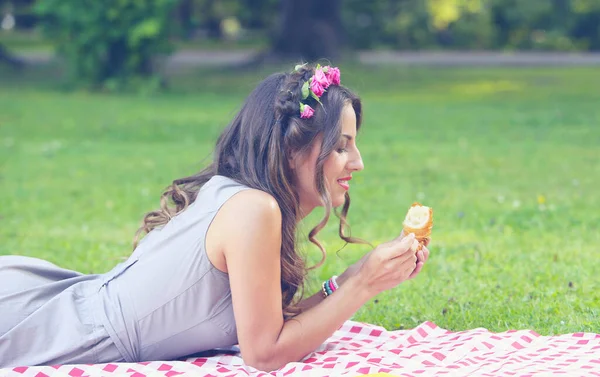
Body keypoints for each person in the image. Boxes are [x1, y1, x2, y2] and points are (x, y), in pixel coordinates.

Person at [0, 63, 430, 371]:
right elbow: (265, 354)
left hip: (55, 305)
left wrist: (350, 279)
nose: (358, 162)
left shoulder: (247, 201)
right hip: (48, 329)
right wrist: (362, 286)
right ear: (293, 149)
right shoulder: (253, 210)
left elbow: (269, 326)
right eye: (341, 146)